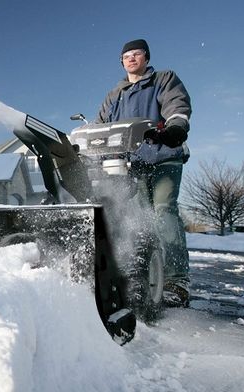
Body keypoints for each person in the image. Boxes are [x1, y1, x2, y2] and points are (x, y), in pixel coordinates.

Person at [96, 39, 192, 307]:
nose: (131, 58)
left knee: (163, 210)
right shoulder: (114, 95)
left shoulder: (163, 79)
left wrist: (175, 128)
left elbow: (177, 107)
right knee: (138, 220)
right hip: (133, 165)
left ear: (146, 58)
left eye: (137, 54)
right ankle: (147, 274)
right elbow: (101, 126)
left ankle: (177, 281)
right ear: (122, 61)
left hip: (164, 157)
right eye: (126, 55)